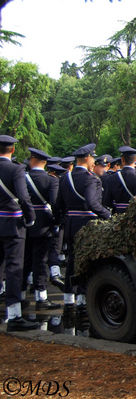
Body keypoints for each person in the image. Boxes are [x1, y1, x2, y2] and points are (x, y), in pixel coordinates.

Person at [55, 143, 111, 310]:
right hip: (88, 225)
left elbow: (58, 204)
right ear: (87, 158)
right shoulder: (92, 179)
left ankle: (68, 297)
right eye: (93, 157)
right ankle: (82, 298)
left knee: (72, 260)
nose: (94, 161)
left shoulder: (66, 178)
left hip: (71, 224)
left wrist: (62, 220)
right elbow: (92, 203)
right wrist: (108, 215)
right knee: (87, 261)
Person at [0, 135, 38, 331]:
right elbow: (23, 197)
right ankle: (14, 315)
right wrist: (30, 217)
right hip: (12, 223)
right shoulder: (15, 169)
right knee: (14, 268)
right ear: (12, 150)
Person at [23, 147, 61, 310]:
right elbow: (54, 203)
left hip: (25, 222)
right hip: (44, 224)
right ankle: (41, 296)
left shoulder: (23, 177)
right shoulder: (51, 180)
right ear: (45, 163)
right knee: (40, 262)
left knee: (24, 261)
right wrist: (57, 222)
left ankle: (21, 294)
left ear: (32, 160)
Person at [102, 146, 136, 214]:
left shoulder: (112, 177)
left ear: (122, 159)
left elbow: (106, 201)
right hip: (134, 216)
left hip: (117, 215)